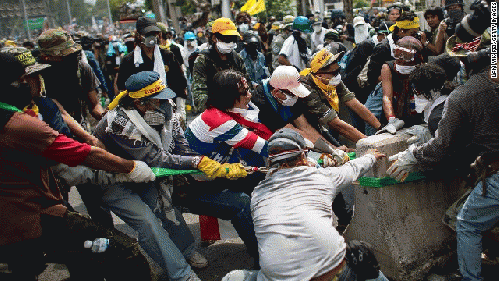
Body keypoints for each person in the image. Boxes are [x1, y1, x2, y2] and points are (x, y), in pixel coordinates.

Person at [0, 52, 155, 281]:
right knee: (122, 251)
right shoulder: (20, 125)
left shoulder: (32, 110)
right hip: (30, 214)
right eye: (26, 79)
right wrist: (131, 167)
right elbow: (81, 154)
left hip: (22, 214)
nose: (36, 83)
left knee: (80, 261)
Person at [95, 71, 258, 279]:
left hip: (146, 173)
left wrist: (201, 164)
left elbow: (181, 146)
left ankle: (187, 250)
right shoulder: (119, 122)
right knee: (147, 223)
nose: (165, 103)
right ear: (140, 104)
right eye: (158, 100)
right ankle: (181, 273)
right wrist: (198, 162)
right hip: (114, 176)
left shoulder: (166, 108)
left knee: (165, 207)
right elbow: (155, 158)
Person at [386, 45, 497, 281]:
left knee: (465, 223)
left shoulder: (464, 96)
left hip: (494, 173)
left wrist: (412, 156)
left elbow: (443, 146)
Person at [221, 128, 388, 281]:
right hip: (329, 274)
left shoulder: (258, 193)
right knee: (365, 262)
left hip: (274, 278)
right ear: (302, 157)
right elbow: (353, 168)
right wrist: (371, 156)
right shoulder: (323, 178)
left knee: (233, 277)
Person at [36, 28, 114, 227]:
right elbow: (58, 112)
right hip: (52, 141)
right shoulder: (37, 76)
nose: (69, 56)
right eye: (63, 53)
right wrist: (90, 139)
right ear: (46, 56)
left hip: (79, 133)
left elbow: (93, 104)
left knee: (95, 195)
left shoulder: (81, 68)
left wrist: (107, 117)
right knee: (58, 201)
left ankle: (109, 239)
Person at [252, 65, 350, 156]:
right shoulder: (261, 102)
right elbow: (292, 132)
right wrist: (331, 151)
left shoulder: (289, 96)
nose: (296, 97)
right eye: (293, 94)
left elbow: (306, 127)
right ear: (277, 92)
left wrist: (334, 148)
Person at [116, 17, 188, 127]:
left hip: (167, 108)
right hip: (141, 114)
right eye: (148, 33)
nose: (151, 37)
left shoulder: (167, 56)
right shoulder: (129, 61)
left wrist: (180, 110)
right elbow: (122, 87)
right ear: (139, 35)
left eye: (154, 33)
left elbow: (180, 83)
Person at [300, 49, 381, 144]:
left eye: (338, 70)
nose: (337, 75)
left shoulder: (332, 80)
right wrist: (367, 142)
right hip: (300, 126)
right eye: (334, 72)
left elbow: (353, 102)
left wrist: (380, 127)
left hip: (319, 121)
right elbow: (336, 124)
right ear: (320, 74)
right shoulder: (306, 87)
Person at [191, 17, 251, 114]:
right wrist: (218, 109)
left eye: (233, 39)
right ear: (215, 38)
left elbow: (247, 84)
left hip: (238, 110)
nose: (231, 43)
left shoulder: (237, 59)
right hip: (214, 112)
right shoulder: (203, 60)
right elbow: (199, 94)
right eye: (227, 39)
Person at [374, 36, 426, 135]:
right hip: (396, 111)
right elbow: (387, 97)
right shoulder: (387, 68)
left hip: (416, 114)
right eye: (398, 54)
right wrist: (392, 120)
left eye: (406, 56)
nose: (401, 59)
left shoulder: (422, 69)